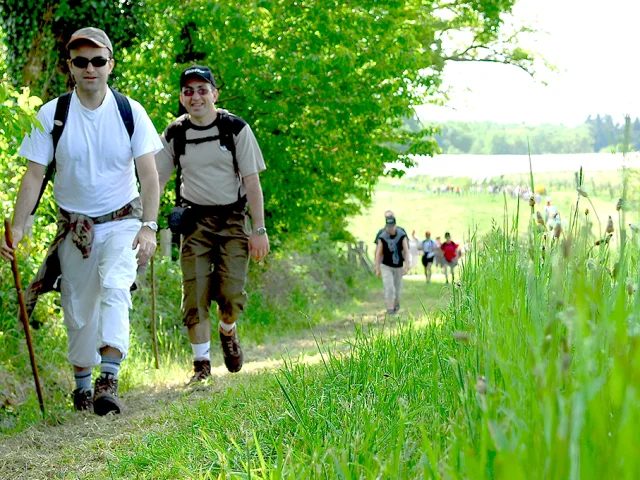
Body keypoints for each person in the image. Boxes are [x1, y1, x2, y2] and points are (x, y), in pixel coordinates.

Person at [0, 27, 162, 415]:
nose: (90, 68)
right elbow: (34, 175)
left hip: (123, 221)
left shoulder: (130, 112)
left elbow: (150, 175)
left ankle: (109, 376)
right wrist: (19, 227)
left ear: (110, 64)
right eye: (81, 61)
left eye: (98, 61)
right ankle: (83, 386)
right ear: (69, 66)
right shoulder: (52, 114)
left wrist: (149, 226)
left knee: (115, 286)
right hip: (74, 228)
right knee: (77, 308)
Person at [155, 65, 270, 384]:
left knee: (231, 294)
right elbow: (157, 179)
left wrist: (258, 229)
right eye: (188, 91)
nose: (195, 97)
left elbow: (252, 181)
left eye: (202, 90)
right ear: (181, 97)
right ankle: (201, 365)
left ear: (214, 94)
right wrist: (145, 220)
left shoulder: (235, 128)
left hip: (233, 219)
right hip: (194, 222)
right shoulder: (175, 133)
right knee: (194, 293)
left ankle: (228, 330)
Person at [374, 215, 409, 314]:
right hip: (386, 266)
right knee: (389, 286)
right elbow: (378, 253)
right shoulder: (382, 236)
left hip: (398, 266)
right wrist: (376, 267)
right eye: (388, 226)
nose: (390, 228)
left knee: (397, 289)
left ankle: (396, 305)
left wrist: (407, 265)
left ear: (395, 225)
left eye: (392, 226)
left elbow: (406, 251)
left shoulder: (401, 235)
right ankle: (390, 308)